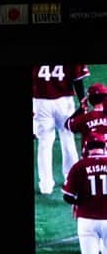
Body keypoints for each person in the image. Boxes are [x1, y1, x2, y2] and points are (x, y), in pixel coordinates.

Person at [32, 63, 88, 195]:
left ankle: (45, 185)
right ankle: (72, 179)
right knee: (68, 139)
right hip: (65, 102)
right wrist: (82, 103)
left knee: (44, 143)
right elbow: (78, 79)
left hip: (40, 101)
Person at [62, 134, 107, 254]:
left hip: (86, 220)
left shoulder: (79, 166)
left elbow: (67, 196)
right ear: (104, 147)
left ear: (86, 149)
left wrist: (79, 203)